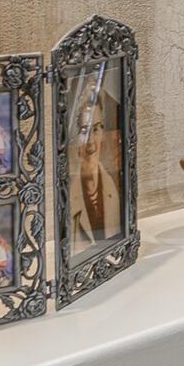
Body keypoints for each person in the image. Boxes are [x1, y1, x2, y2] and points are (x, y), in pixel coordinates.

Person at [69, 91, 123, 253]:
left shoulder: (115, 188)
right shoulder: (67, 196)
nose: (91, 142)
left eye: (97, 129)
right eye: (84, 131)